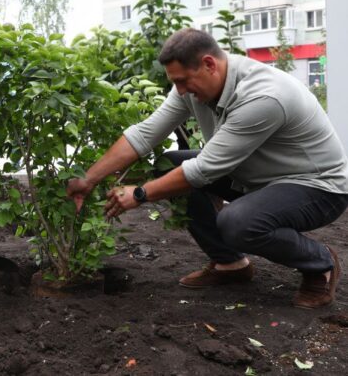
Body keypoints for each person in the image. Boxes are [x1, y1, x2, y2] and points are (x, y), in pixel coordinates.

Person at [67, 28, 348, 310]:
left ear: (209, 64)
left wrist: (140, 194)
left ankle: (319, 263)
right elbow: (145, 133)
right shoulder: (192, 87)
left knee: (238, 222)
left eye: (182, 81)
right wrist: (88, 179)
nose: (179, 90)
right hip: (255, 173)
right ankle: (230, 263)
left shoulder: (263, 97)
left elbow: (203, 170)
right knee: (171, 163)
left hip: (318, 186)